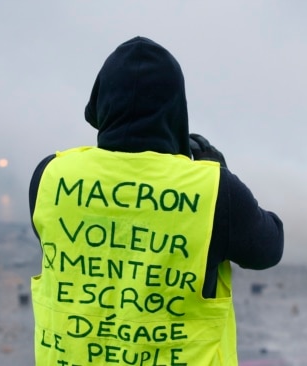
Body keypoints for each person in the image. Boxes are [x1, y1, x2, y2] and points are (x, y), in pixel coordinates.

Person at [28, 37, 284, 365]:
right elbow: (269, 248)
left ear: (101, 102)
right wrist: (218, 169)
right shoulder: (214, 189)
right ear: (177, 110)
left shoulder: (49, 176)